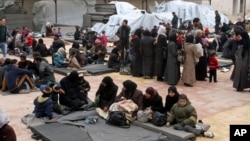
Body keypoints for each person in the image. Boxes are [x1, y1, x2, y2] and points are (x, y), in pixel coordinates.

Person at [232, 27, 250, 91]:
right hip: (240, 61)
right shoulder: (241, 42)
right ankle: (239, 86)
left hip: (245, 61)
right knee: (239, 74)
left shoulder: (247, 43)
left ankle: (242, 86)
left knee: (243, 74)